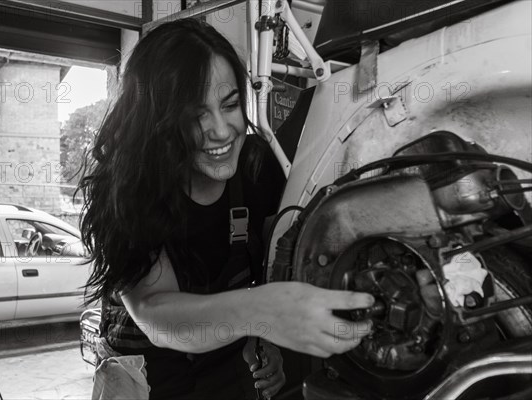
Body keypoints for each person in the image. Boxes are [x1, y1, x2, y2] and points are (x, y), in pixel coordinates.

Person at [79, 18, 374, 400]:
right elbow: (157, 312)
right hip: (145, 382)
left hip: (225, 375)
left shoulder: (256, 169)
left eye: (230, 105)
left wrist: (264, 342)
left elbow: (276, 260)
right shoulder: (125, 189)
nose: (221, 131)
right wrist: (263, 312)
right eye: (196, 114)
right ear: (157, 120)